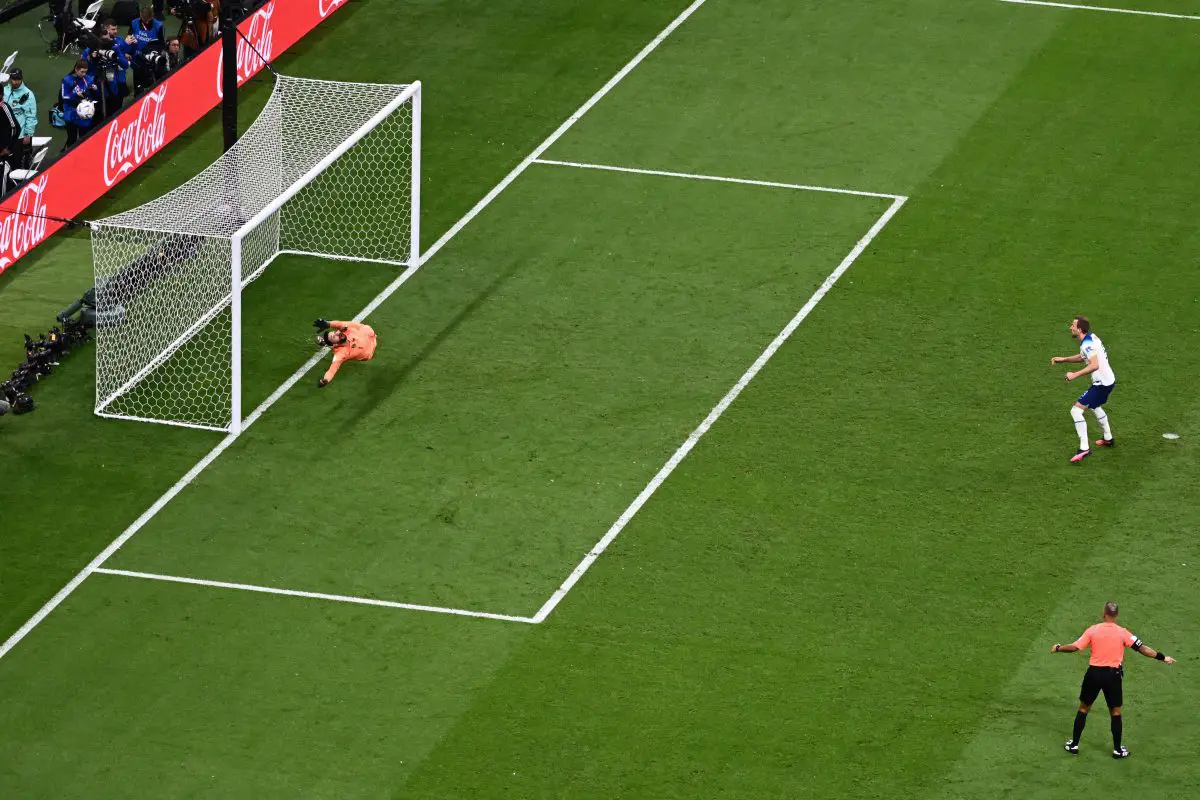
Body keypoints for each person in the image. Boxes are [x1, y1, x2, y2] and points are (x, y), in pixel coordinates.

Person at [1051, 602, 1174, 759]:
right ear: (1116, 615)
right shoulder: (1123, 633)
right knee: (1115, 712)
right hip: (1113, 676)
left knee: (1083, 708)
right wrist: (1163, 657)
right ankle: (1117, 750)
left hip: (1094, 674)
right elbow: (1143, 648)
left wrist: (1058, 647)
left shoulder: (1093, 630)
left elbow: (1075, 647)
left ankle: (1074, 745)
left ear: (1103, 613)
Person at [1050, 315, 1116, 464]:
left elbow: (1094, 365)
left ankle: (1084, 448)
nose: (1070, 328)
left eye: (1073, 326)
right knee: (1094, 405)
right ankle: (1108, 438)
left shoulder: (1087, 344)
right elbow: (1083, 357)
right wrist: (1064, 359)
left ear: (1079, 329)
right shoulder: (1091, 338)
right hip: (1107, 381)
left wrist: (1074, 375)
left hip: (1102, 384)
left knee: (1076, 410)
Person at [313, 318, 377, 387]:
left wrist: (328, 323)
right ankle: (325, 342)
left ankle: (325, 341)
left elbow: (339, 324)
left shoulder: (346, 331)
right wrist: (325, 380)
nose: (337, 334)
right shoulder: (340, 354)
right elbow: (332, 370)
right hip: (369, 352)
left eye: (335, 332)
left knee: (349, 326)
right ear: (334, 343)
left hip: (368, 335)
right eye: (333, 337)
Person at [60, 59, 99, 151]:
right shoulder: (67, 80)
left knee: (84, 138)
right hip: (71, 113)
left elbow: (95, 96)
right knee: (72, 138)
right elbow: (64, 96)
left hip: (84, 114)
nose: (84, 74)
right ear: (76, 69)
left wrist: (95, 89)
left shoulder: (88, 79)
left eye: (85, 72)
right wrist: (75, 95)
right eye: (82, 72)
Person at [3, 70, 37, 172]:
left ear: (21, 79)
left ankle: (19, 184)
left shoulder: (28, 94)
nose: (15, 82)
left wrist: (28, 133)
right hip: (7, 133)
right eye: (13, 79)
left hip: (20, 134)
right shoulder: (5, 90)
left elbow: (31, 116)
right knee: (7, 160)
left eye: (18, 79)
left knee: (19, 163)